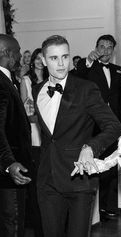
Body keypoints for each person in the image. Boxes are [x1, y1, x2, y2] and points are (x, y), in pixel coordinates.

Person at [32, 35, 121, 237]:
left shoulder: (86, 89)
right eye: (54, 58)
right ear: (44, 61)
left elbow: (114, 126)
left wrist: (90, 147)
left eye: (65, 56)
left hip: (78, 180)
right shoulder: (37, 90)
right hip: (48, 182)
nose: (61, 63)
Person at [77, 34, 121, 218]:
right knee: (94, 165)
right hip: (93, 125)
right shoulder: (86, 68)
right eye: (102, 46)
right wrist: (87, 61)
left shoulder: (117, 70)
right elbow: (77, 76)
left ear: (113, 51)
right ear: (96, 48)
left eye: (109, 47)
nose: (105, 50)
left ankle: (108, 207)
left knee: (111, 166)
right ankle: (92, 211)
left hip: (113, 126)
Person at [0, 34, 33, 237]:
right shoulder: (1, 83)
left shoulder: (7, 80)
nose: (21, 56)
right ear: (7, 53)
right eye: (18, 51)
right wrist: (9, 163)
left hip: (11, 167)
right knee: (12, 222)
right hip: (9, 169)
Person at [20, 48, 48, 237]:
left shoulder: (50, 81)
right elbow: (28, 111)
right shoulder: (26, 81)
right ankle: (38, 227)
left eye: (41, 58)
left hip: (50, 138)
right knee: (36, 184)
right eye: (36, 58)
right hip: (35, 136)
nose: (38, 61)